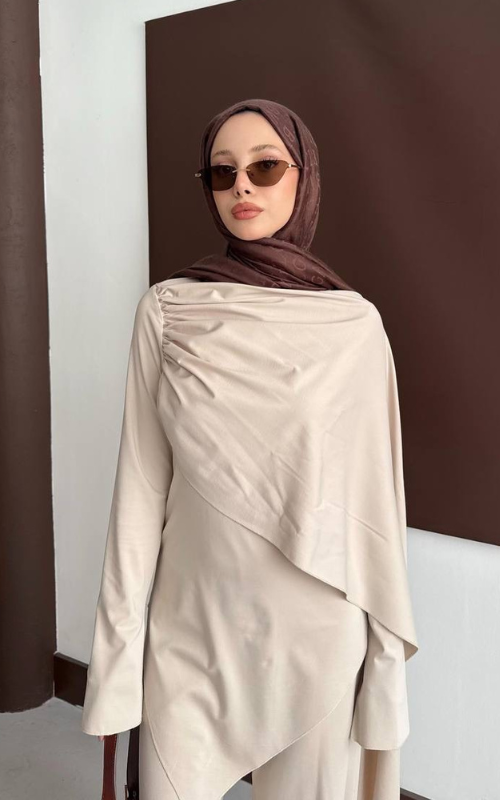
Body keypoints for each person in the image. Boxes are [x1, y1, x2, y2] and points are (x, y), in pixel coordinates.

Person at [81, 98, 419, 799]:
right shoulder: (168, 310)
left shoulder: (355, 326)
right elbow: (139, 493)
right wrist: (117, 662)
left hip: (315, 632)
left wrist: (385, 659)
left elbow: (376, 507)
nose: (242, 186)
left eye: (265, 167)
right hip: (191, 627)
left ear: (304, 178)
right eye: (222, 171)